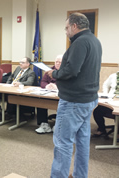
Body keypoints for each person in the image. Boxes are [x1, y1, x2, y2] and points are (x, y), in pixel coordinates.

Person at [46, 13, 102, 178]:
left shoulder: (80, 42)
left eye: (66, 28)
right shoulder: (94, 41)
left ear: (74, 26)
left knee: (63, 143)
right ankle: (79, 175)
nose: (66, 31)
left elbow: (71, 70)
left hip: (73, 102)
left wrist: (54, 74)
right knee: (83, 142)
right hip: (88, 100)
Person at [35, 54, 62, 134]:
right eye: (56, 62)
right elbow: (43, 82)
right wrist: (47, 85)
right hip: (48, 93)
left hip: (60, 95)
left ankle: (59, 124)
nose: (58, 63)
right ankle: (44, 124)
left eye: (60, 62)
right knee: (40, 99)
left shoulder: (66, 72)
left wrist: (56, 86)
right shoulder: (49, 70)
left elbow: (69, 84)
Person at [92, 72, 118, 137]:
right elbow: (105, 85)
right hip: (112, 101)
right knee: (97, 111)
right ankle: (101, 129)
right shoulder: (113, 76)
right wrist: (106, 94)